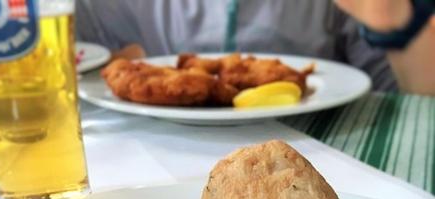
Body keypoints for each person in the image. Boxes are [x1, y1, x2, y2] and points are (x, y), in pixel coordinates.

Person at [75, 0, 435, 95]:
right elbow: (61, 42)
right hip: (162, 154)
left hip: (327, 152)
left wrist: (391, 19)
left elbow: (412, 100)